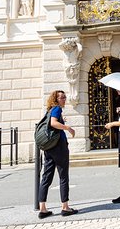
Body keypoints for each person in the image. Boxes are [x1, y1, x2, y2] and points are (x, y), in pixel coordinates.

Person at [38, 90, 78, 219]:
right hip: (59, 147)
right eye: (62, 97)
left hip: (49, 148)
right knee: (63, 176)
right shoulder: (56, 109)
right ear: (56, 99)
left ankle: (42, 208)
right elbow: (53, 123)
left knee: (46, 177)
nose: (65, 99)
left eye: (65, 97)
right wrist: (68, 128)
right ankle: (65, 207)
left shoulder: (49, 110)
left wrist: (62, 122)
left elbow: (53, 123)